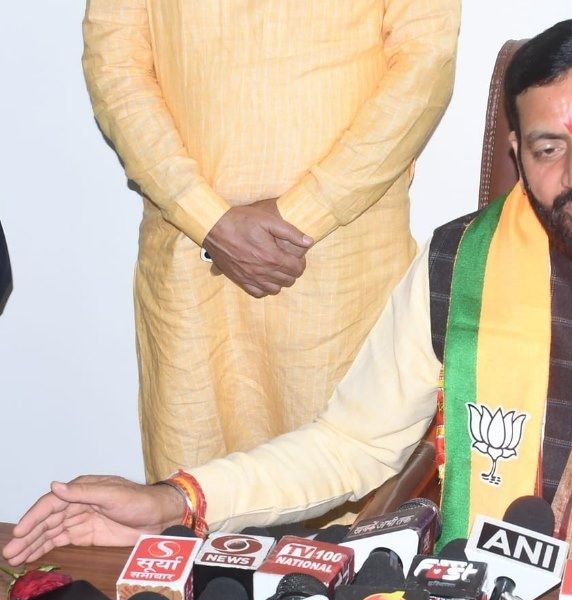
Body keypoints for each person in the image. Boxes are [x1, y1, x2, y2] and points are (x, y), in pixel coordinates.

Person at [5, 17, 572, 587]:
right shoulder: (460, 265)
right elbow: (351, 446)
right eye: (547, 148)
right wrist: (173, 500)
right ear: (516, 154)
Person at [81, 1, 461, 484]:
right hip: (191, 268)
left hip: (341, 269)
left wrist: (302, 214)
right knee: (191, 498)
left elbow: (425, 64)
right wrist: (205, 217)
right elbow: (114, 65)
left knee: (347, 486)